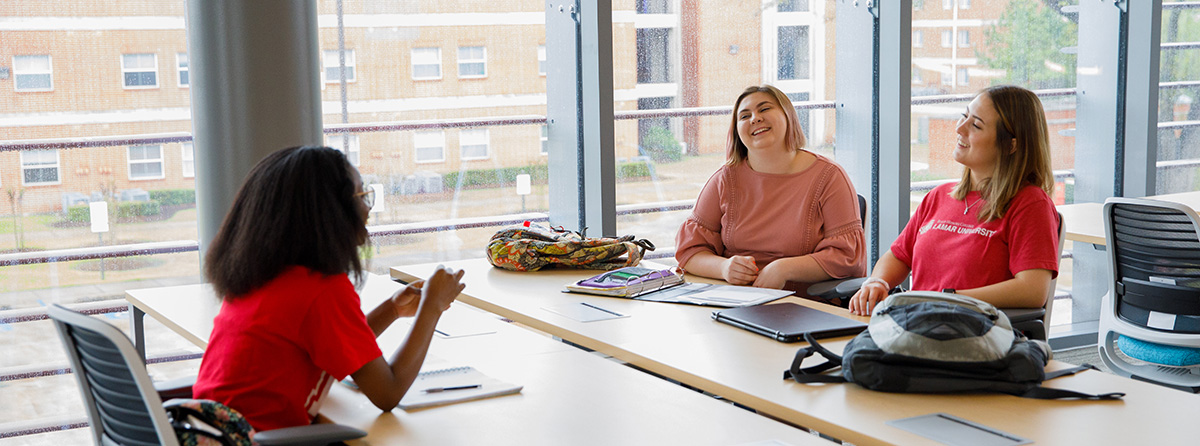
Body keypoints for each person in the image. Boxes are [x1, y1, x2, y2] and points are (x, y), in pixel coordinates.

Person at [193, 146, 466, 431]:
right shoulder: (322, 289)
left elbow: (336, 346)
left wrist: (393, 309)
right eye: (362, 196)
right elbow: (388, 392)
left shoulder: (263, 275)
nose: (368, 208)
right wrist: (432, 306)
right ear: (329, 212)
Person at [848, 85, 1059, 316]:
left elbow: (1033, 290)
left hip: (973, 332)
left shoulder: (1030, 203)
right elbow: (899, 256)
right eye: (964, 116)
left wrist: (948, 299)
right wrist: (878, 282)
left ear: (1011, 145)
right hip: (917, 326)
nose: (959, 128)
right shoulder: (939, 196)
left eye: (975, 125)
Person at [675, 85, 867, 300]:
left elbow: (848, 258)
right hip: (733, 301)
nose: (755, 118)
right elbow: (689, 252)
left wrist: (783, 269)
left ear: (788, 116)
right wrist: (724, 268)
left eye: (764, 109)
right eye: (745, 115)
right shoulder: (725, 179)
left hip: (803, 307)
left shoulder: (830, 177)